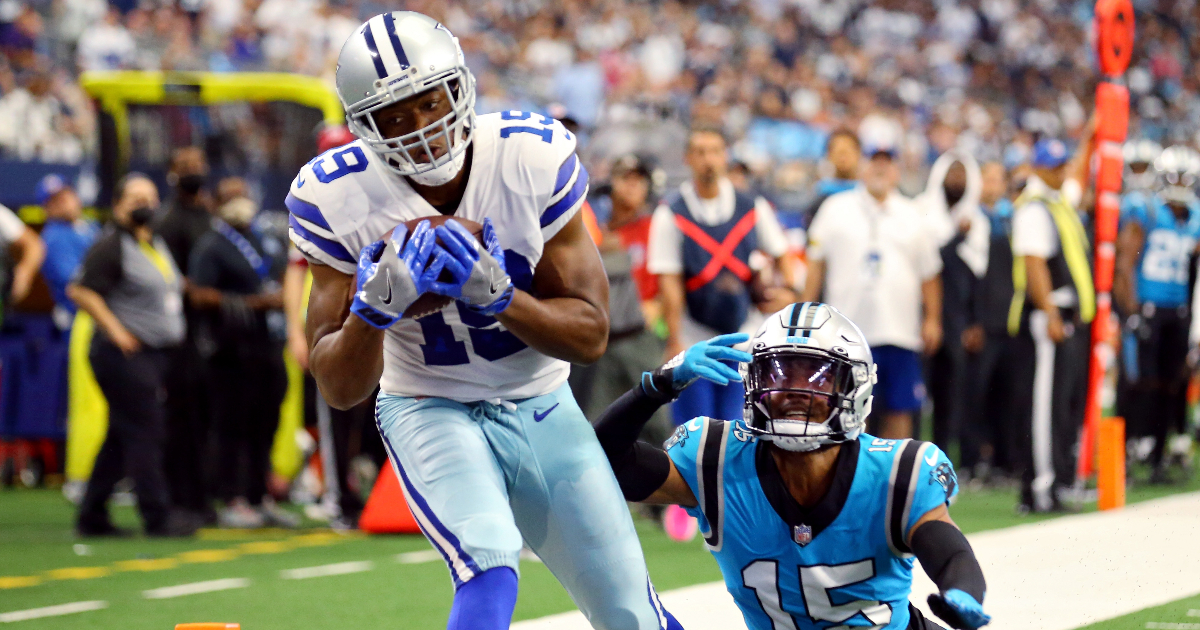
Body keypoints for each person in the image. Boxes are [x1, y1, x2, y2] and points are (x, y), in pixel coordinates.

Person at [288, 13, 681, 630]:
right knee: (489, 559)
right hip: (427, 402)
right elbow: (339, 387)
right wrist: (374, 310)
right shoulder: (335, 196)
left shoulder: (527, 155)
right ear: (363, 127)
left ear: (460, 88)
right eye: (393, 117)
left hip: (540, 398)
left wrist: (500, 297)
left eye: (429, 102)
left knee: (631, 610)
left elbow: (590, 334)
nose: (421, 130)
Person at [592, 303, 991, 630]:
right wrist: (657, 385)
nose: (795, 391)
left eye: (817, 378)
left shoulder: (896, 472)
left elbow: (950, 554)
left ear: (854, 388)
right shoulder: (716, 459)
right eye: (779, 374)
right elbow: (605, 462)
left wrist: (963, 592)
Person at [67, 173, 194, 537]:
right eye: (135, 197)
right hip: (122, 355)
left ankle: (91, 515)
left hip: (154, 354)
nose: (144, 204)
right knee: (146, 431)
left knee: (122, 435)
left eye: (150, 197)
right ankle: (157, 515)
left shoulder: (152, 242)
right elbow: (81, 291)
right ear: (118, 203)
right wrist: (117, 330)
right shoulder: (111, 245)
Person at [647, 125, 793, 425]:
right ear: (688, 158)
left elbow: (782, 255)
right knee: (695, 430)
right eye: (700, 152)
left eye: (714, 151)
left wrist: (787, 293)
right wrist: (674, 339)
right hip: (694, 339)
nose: (708, 160)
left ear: (725, 156)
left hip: (745, 338)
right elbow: (669, 282)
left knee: (742, 428)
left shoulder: (752, 206)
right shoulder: (671, 214)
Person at [802, 142, 943, 439]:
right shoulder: (835, 208)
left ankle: (894, 475)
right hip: (844, 331)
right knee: (841, 407)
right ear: (863, 167)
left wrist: (932, 319)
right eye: (875, 161)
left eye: (888, 162)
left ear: (897, 170)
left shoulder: (913, 213)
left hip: (900, 331)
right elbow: (816, 266)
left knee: (898, 408)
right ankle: (845, 475)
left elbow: (929, 274)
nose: (881, 168)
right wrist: (806, 313)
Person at [188, 192, 293, 527]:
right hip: (230, 350)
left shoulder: (264, 239)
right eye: (230, 195)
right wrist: (249, 304)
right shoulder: (211, 245)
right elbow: (198, 292)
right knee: (231, 425)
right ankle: (231, 497)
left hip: (269, 345)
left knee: (267, 423)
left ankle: (259, 495)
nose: (241, 201)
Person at [1008, 138, 1095, 513]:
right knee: (1045, 407)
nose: (1062, 172)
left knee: (1060, 404)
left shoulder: (1056, 200)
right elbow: (1034, 264)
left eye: (1063, 166)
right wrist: (1051, 312)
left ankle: (1057, 480)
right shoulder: (1034, 208)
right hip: (1049, 315)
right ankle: (1042, 487)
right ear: (1039, 169)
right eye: (1055, 167)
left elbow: (1077, 174)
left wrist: (1091, 135)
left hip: (1064, 315)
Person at [1116, 146, 1200, 483]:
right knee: (1142, 382)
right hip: (1148, 308)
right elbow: (1125, 262)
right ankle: (1132, 450)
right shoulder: (1146, 210)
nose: (1179, 184)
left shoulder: (1194, 217)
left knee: (1171, 383)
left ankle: (1157, 455)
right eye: (1174, 176)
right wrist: (1131, 309)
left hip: (1177, 311)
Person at [155, 146, 215, 522]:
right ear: (172, 174)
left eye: (198, 165)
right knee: (180, 417)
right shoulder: (168, 220)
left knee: (203, 419)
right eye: (185, 166)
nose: (194, 171)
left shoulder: (207, 215)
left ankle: (200, 496)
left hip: (207, 331)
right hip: (179, 333)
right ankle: (178, 498)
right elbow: (168, 276)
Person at [920, 150, 986, 461]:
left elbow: (978, 279)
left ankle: (943, 459)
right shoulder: (920, 212)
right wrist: (958, 238)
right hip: (925, 317)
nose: (956, 181)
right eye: (952, 173)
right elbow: (929, 262)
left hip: (959, 320)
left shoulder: (978, 222)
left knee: (952, 395)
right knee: (920, 395)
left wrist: (975, 321)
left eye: (962, 174)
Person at [959, 162, 1018, 480]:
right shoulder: (970, 219)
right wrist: (971, 320)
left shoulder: (1013, 218)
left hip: (1009, 320)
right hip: (983, 321)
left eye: (997, 178)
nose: (992, 184)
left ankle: (1004, 459)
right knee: (975, 393)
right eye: (987, 177)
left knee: (1007, 394)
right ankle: (971, 459)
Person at [37, 174, 99, 327]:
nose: (65, 201)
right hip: (80, 316)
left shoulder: (90, 225)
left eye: (67, 194)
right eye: (55, 200)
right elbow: (76, 284)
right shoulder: (53, 238)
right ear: (47, 208)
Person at [802, 128, 863, 227]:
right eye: (838, 151)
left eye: (848, 150)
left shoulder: (866, 193)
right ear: (829, 155)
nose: (843, 157)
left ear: (859, 153)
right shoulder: (820, 195)